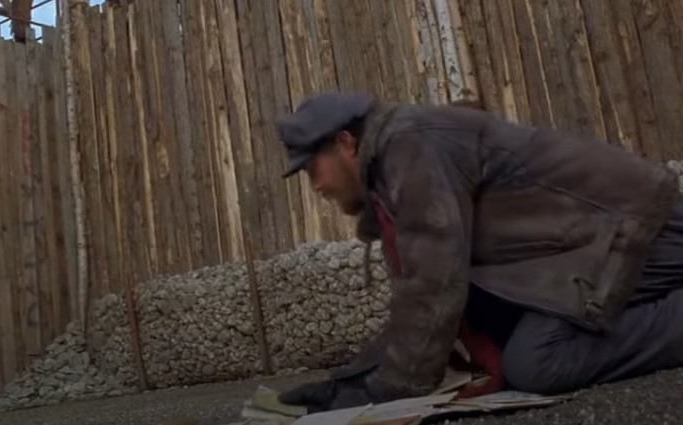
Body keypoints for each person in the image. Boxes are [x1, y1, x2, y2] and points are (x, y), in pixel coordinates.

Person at [274, 91, 683, 413]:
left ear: (346, 143)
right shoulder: (395, 162)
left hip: (637, 229)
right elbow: (416, 299)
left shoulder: (410, 146)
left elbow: (434, 282)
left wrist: (389, 390)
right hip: (585, 249)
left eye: (313, 169)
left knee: (537, 363)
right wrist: (352, 381)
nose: (315, 186)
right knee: (509, 343)